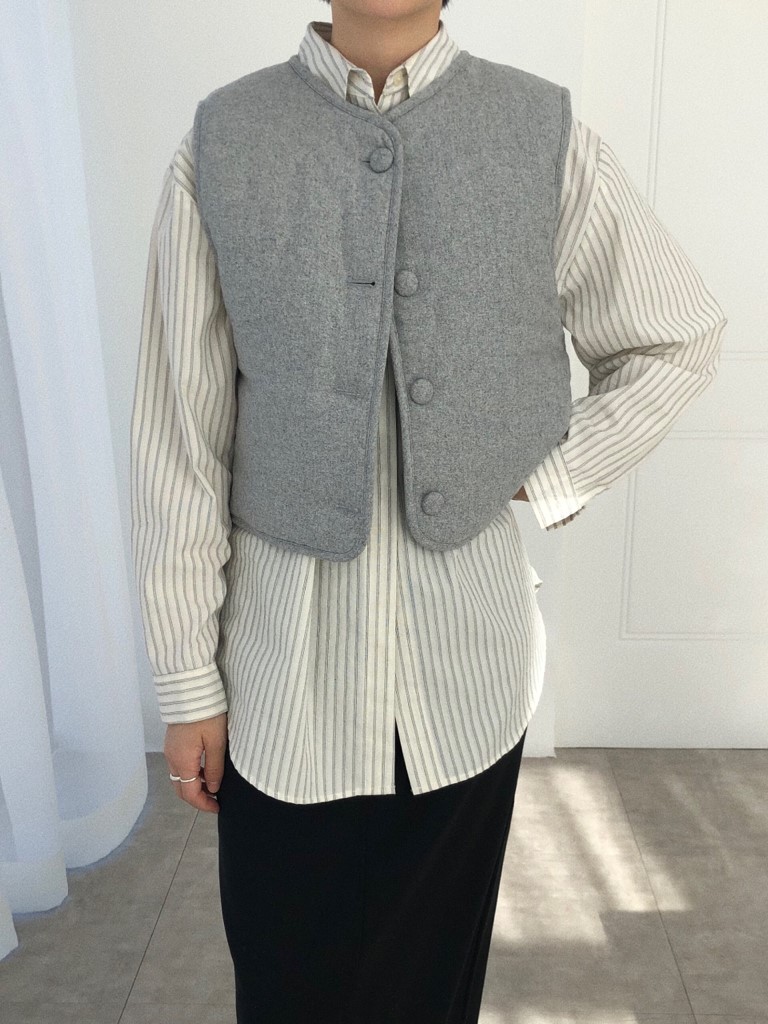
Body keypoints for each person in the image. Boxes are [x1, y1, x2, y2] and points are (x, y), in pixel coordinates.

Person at [129, 2, 727, 1021]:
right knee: (286, 987)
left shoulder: (541, 131)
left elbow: (677, 334)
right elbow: (179, 441)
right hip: (284, 678)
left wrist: (551, 471)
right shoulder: (223, 141)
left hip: (465, 675)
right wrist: (188, 682)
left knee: (432, 991)